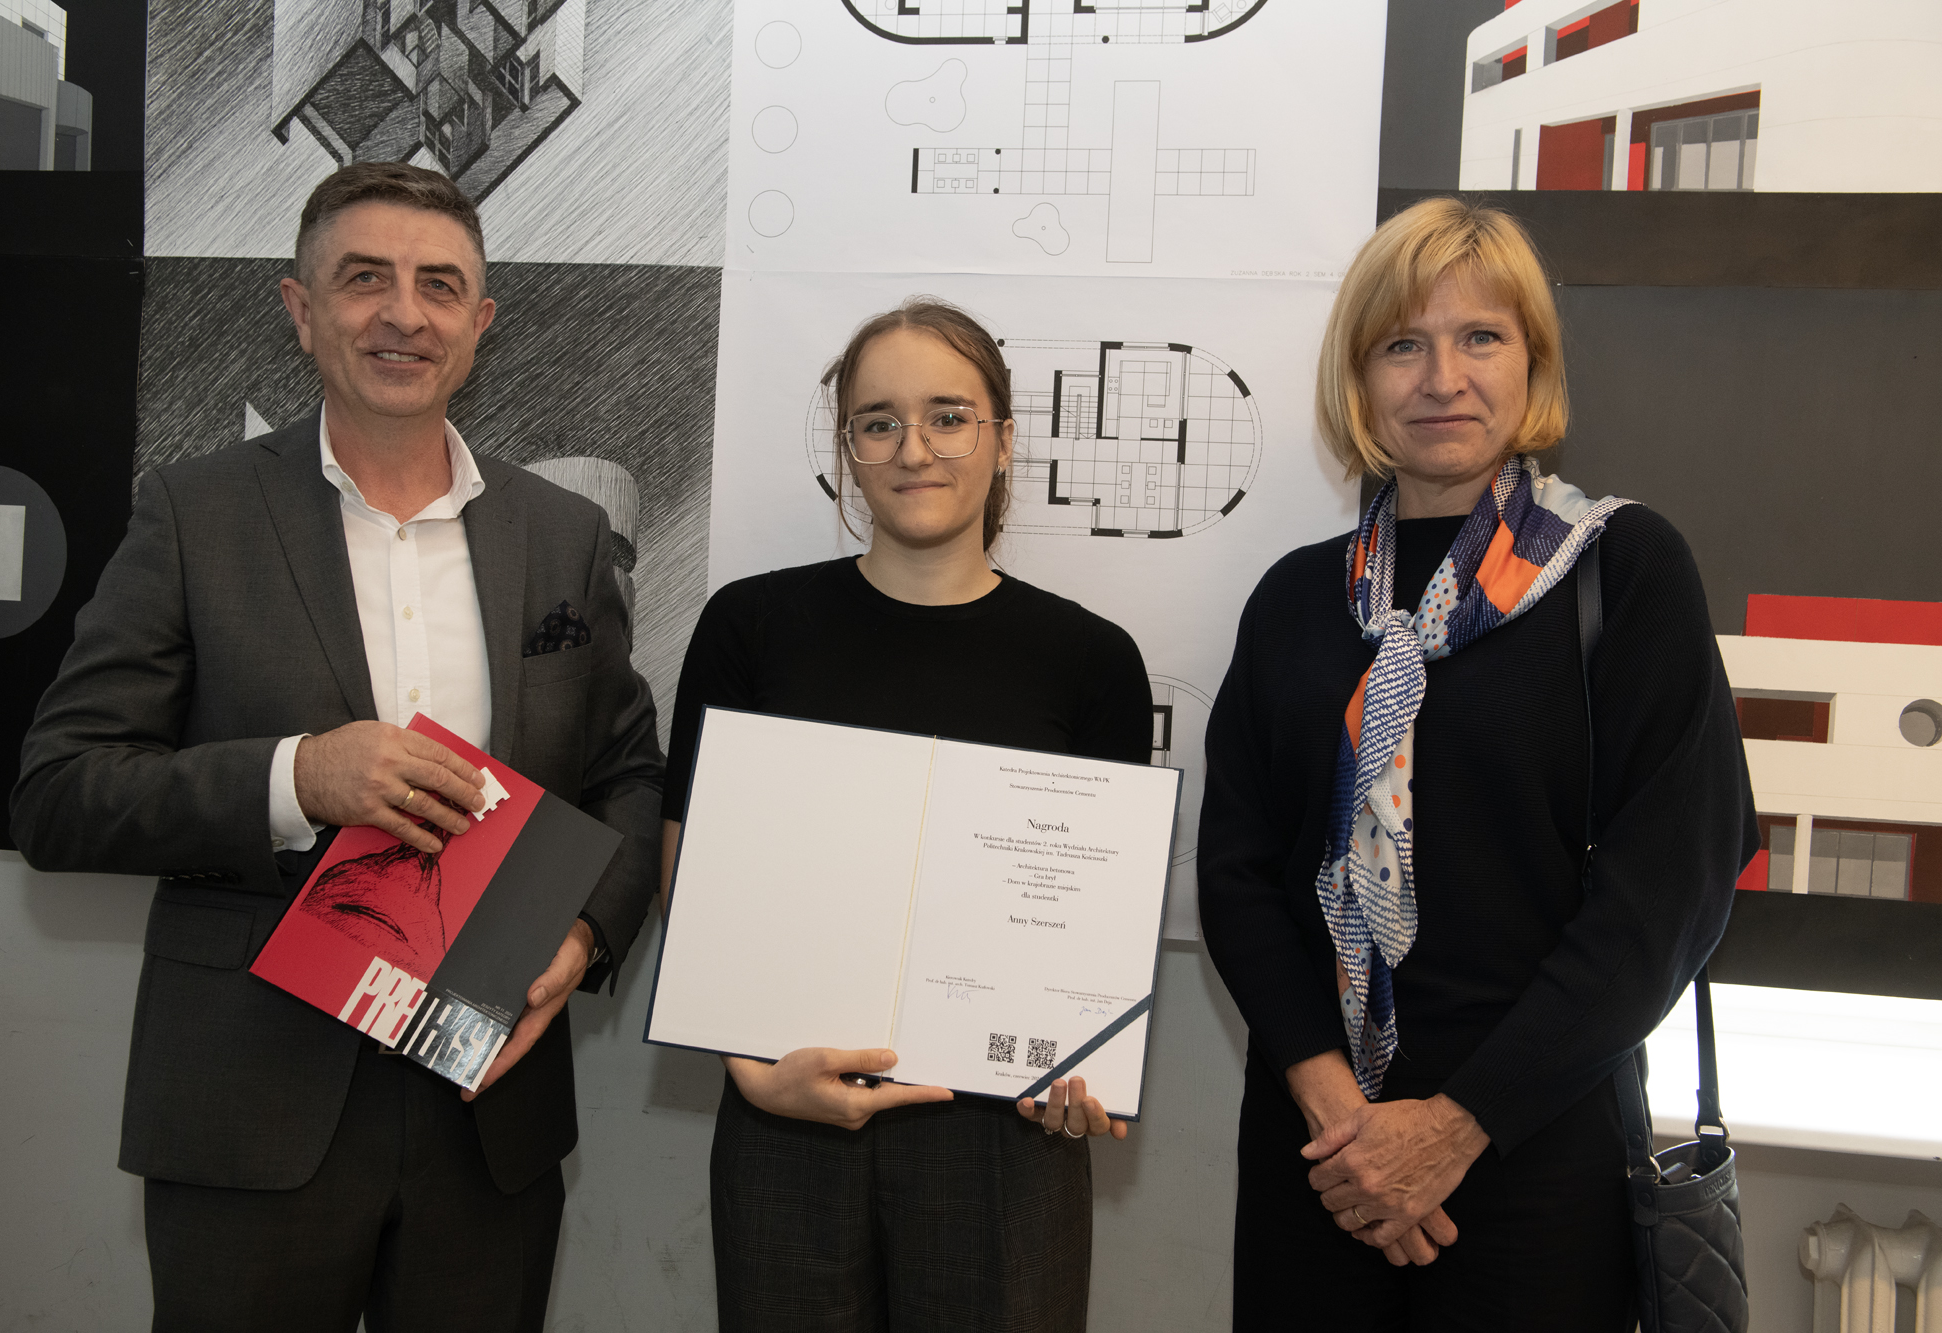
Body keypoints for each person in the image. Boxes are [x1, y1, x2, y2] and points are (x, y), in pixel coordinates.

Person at [9, 162, 664, 1332]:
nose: (403, 313)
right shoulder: (191, 512)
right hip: (249, 1102)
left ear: (479, 322)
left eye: (438, 285)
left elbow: (625, 775)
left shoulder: (561, 533)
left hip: (487, 1104)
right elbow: (59, 794)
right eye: (364, 279)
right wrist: (297, 777)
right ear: (300, 309)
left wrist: (582, 933)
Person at [1198, 198, 1756, 1329]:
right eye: (1402, 344)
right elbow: (1236, 871)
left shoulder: (1621, 571)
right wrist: (1341, 1117)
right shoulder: (1296, 599)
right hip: (1320, 1157)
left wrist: (1452, 1128)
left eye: (1480, 337)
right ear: (1358, 381)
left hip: (1535, 1151)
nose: (1441, 377)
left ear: (1531, 362)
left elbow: (1668, 891)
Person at [659, 298, 1153, 1331]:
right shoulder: (752, 626)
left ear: (1004, 440)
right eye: (878, 421)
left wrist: (1085, 1059)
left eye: (949, 416)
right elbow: (690, 873)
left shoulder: (1091, 659)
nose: (913, 449)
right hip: (786, 1109)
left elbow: (1098, 928)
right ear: (847, 449)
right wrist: (750, 1071)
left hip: (1006, 1136)